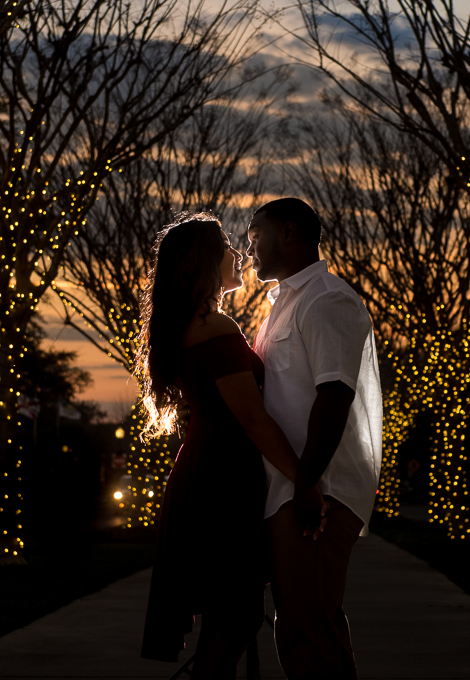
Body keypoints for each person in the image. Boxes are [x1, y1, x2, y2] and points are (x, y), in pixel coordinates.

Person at [138, 212, 326, 678]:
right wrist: (304, 480)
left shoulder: (197, 325)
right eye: (227, 245)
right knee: (238, 611)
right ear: (204, 261)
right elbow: (252, 419)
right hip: (221, 478)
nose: (240, 254)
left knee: (229, 611)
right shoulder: (214, 329)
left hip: (209, 469)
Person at [247, 198, 383, 680]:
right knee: (305, 628)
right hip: (292, 488)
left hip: (317, 493)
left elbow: (334, 395)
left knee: (309, 633)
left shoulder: (327, 298)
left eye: (254, 236)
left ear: (288, 232)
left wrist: (307, 483)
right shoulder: (283, 305)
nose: (249, 249)